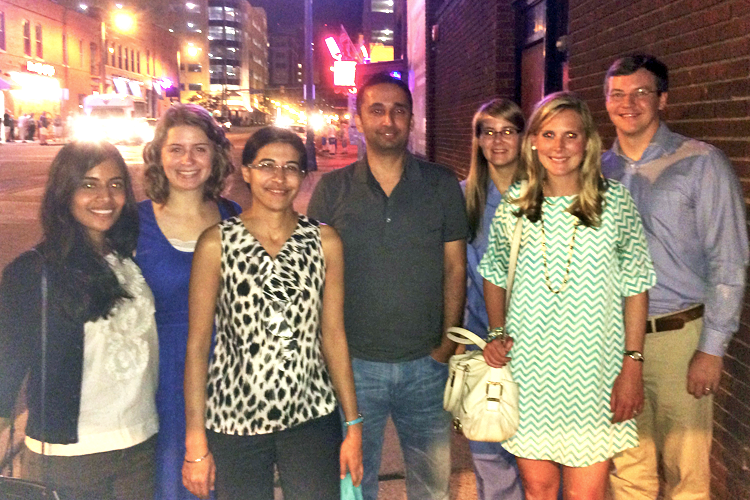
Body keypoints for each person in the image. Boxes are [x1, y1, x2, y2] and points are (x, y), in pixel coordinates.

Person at [479, 92, 656, 500]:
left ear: (587, 141)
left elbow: (637, 285)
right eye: (549, 134)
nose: (559, 147)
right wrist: (496, 331)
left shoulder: (614, 203)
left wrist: (632, 364)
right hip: (530, 371)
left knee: (586, 495)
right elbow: (493, 273)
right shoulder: (516, 204)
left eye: (570, 135)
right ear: (534, 142)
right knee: (538, 490)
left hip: (595, 374)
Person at [308, 72, 468, 500]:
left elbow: (455, 268)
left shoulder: (440, 184)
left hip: (427, 365)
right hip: (356, 367)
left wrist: (447, 346)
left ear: (411, 119)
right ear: (358, 119)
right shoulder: (332, 189)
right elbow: (316, 278)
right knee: (356, 485)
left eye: (399, 110)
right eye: (376, 110)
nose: (388, 120)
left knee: (432, 486)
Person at [182, 127, 362, 500]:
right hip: (234, 418)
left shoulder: (324, 241)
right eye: (266, 165)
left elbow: (334, 335)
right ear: (246, 171)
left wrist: (353, 424)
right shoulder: (217, 243)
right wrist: (195, 437)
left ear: (303, 175)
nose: (279, 178)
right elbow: (199, 346)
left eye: (291, 167)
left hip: (311, 414)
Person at [601, 54, 749, 500]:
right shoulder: (595, 170)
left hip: (678, 338)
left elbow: (729, 260)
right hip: (610, 342)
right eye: (617, 94)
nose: (628, 104)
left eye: (641, 92)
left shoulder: (701, 163)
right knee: (628, 469)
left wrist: (712, 348)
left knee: (687, 473)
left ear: (662, 98)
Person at [0, 142, 159, 500]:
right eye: (88, 184)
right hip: (70, 458)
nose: (105, 196)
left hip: (140, 442)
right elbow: (6, 367)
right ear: (64, 191)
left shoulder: (128, 260)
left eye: (116, 184)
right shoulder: (33, 271)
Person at [136, 103, 240, 500]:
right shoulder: (133, 223)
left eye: (200, 148)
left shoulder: (233, 217)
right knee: (169, 479)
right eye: (176, 148)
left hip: (226, 377)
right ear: (158, 155)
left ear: (215, 156)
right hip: (160, 378)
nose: (188, 160)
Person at [462, 98, 525, 500]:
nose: (497, 140)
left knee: (536, 453)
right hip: (482, 341)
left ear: (524, 138)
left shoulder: (544, 194)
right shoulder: (464, 197)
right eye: (488, 131)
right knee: (488, 451)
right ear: (478, 140)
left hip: (537, 343)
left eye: (508, 130)